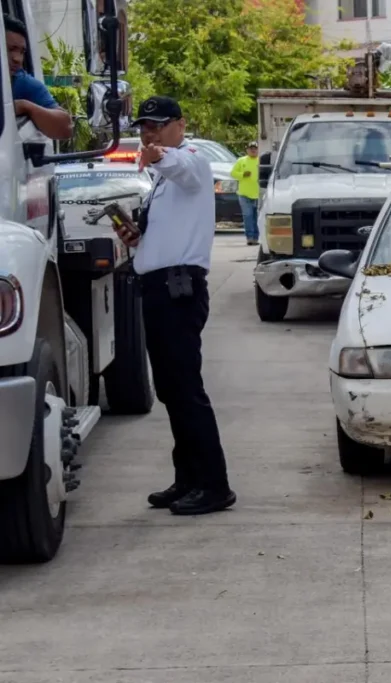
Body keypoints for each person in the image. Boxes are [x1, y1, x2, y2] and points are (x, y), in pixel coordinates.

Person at [113, 95, 236, 515]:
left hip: (178, 290)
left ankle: (215, 486)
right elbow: (165, 231)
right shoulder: (162, 180)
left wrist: (157, 155)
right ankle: (188, 480)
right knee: (171, 391)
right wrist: (136, 237)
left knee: (185, 390)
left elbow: (182, 167)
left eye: (157, 124)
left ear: (180, 125)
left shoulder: (192, 160)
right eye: (144, 126)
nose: (149, 132)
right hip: (157, 287)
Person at [4, 15, 73, 139]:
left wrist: (24, 106)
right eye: (10, 49)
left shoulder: (23, 83)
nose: (17, 59)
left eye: (21, 52)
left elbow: (66, 127)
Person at [230, 141, 261, 245]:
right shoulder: (241, 161)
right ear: (247, 150)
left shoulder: (261, 161)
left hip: (258, 195)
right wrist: (243, 174)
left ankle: (256, 237)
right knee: (247, 216)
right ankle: (250, 237)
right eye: (251, 148)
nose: (253, 150)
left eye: (255, 148)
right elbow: (233, 173)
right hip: (244, 194)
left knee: (257, 217)